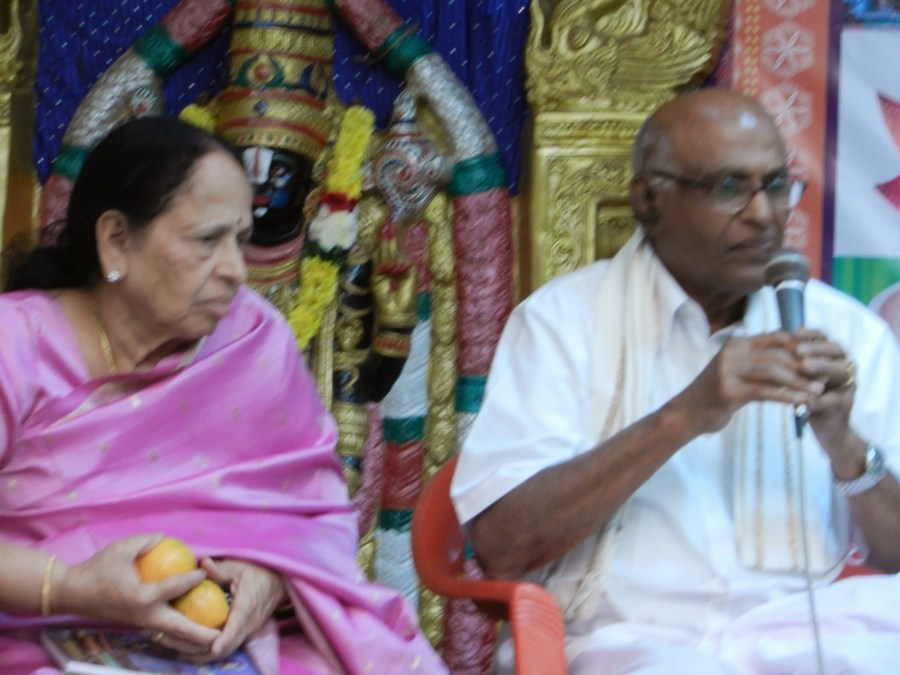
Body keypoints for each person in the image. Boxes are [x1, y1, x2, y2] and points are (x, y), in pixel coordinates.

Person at [451, 88, 900, 674]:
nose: (763, 215)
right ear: (649, 199)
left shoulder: (847, 331)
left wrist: (844, 443)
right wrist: (684, 416)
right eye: (729, 187)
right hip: (626, 643)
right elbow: (503, 547)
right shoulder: (561, 322)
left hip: (797, 633)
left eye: (776, 186)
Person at [0, 115, 446, 675]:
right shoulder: (15, 341)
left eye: (241, 239)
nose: (236, 270)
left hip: (234, 646)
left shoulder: (251, 336)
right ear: (116, 241)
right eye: (207, 240)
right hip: (34, 639)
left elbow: (315, 511)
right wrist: (69, 588)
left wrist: (272, 579)